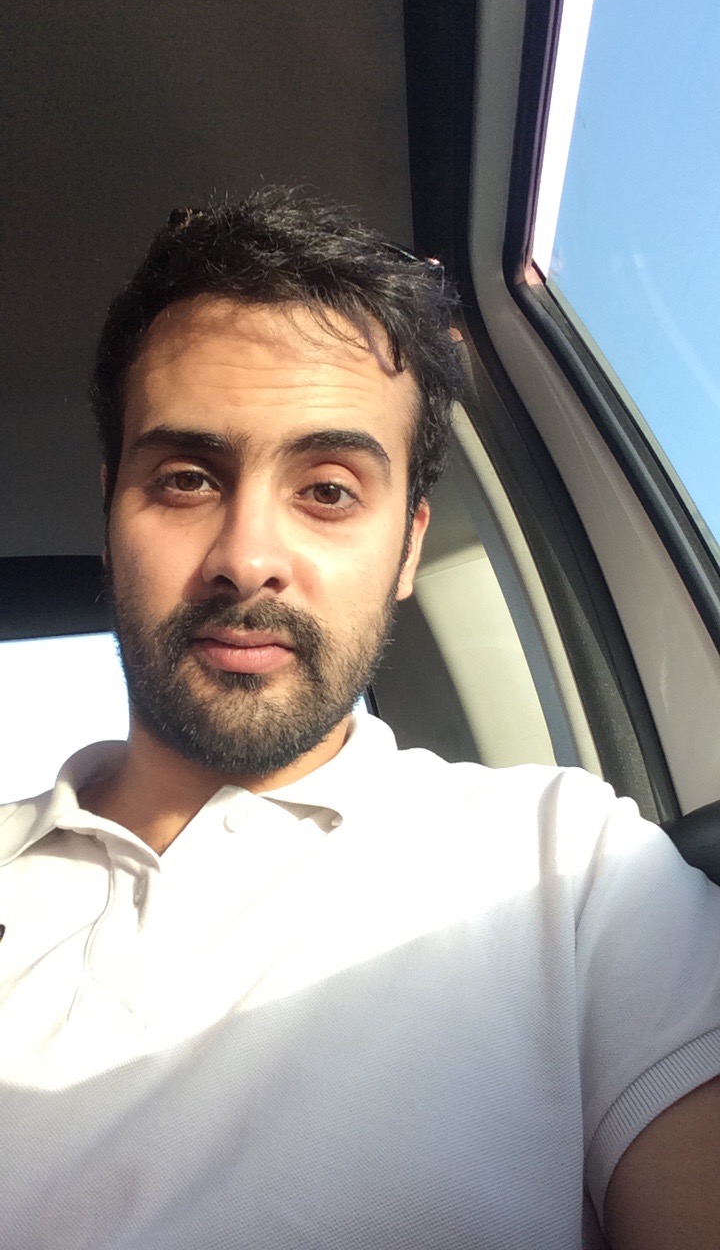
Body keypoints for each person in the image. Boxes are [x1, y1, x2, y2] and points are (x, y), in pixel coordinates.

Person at [0, 186, 718, 1250]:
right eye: (187, 478)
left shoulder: (571, 869)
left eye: (329, 490)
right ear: (111, 514)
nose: (248, 556)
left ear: (409, 546)